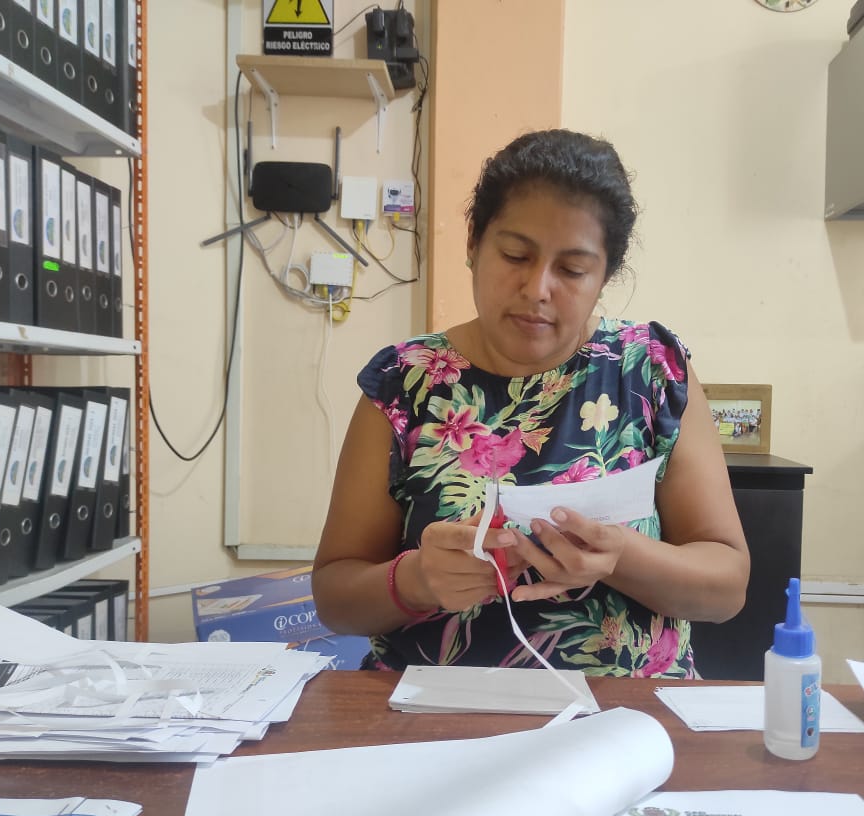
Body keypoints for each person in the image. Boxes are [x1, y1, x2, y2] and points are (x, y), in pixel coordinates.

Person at [312, 129, 749, 677]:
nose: (538, 288)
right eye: (515, 255)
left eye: (572, 270)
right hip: (432, 712)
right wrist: (417, 579)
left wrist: (618, 556)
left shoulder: (652, 371)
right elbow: (334, 598)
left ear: (605, 276)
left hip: (621, 716)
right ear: (473, 244)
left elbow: (726, 588)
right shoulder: (405, 383)